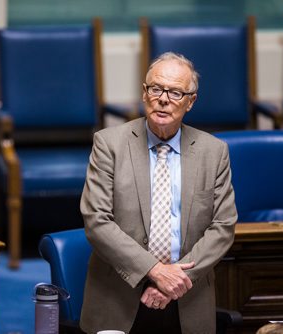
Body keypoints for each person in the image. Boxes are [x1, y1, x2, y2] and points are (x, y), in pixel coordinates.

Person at [80, 52, 238, 334]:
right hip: (117, 297)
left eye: (176, 92)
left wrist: (175, 281)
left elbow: (223, 227)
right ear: (144, 93)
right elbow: (97, 221)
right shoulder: (109, 145)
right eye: (156, 88)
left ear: (191, 102)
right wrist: (155, 270)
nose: (163, 98)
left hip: (188, 300)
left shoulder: (214, 152)